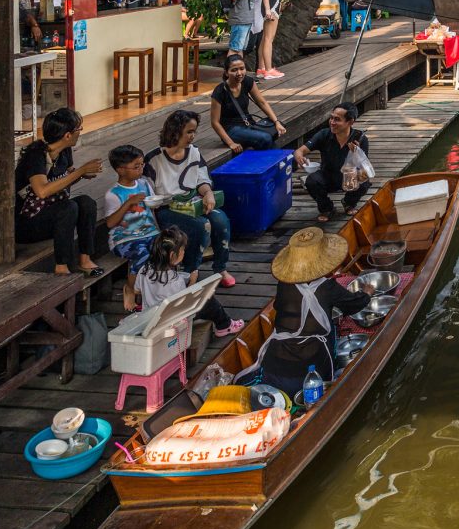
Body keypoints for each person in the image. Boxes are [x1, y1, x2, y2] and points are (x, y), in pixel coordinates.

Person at [254, 227, 373, 396]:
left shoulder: (284, 283)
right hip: (308, 375)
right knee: (330, 330)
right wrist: (367, 293)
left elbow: (279, 307)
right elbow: (355, 304)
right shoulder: (327, 287)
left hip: (273, 366)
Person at [144, 109, 236, 288]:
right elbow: (149, 193)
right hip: (167, 208)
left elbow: (201, 179)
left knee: (221, 219)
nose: (192, 136)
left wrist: (208, 193)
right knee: (202, 226)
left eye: (194, 131)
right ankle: (190, 270)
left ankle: (220, 268)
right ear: (175, 131)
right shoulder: (154, 159)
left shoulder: (194, 152)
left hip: (193, 200)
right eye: (189, 132)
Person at [14, 108, 104, 276]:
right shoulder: (36, 156)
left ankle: (85, 259)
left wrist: (82, 174)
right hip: (28, 224)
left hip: (52, 216)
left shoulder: (65, 151)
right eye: (79, 129)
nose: (80, 132)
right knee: (68, 207)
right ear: (68, 135)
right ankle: (61, 267)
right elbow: (42, 191)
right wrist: (81, 171)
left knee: (86, 203)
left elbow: (66, 178)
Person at [137, 227, 243, 337]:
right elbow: (186, 303)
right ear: (172, 255)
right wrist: (192, 282)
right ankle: (224, 325)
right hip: (172, 321)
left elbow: (137, 289)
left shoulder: (144, 270)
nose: (184, 252)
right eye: (182, 250)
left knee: (197, 283)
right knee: (209, 301)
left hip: (151, 317)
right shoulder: (174, 280)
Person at [104, 144, 161, 310]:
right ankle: (132, 289)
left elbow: (151, 208)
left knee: (166, 248)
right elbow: (110, 223)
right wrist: (128, 203)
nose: (141, 169)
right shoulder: (113, 194)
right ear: (121, 170)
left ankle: (156, 289)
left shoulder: (144, 184)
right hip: (124, 238)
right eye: (136, 166)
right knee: (142, 254)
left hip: (149, 231)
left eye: (142, 165)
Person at [293, 102, 370, 221]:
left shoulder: (360, 139)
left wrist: (356, 153)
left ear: (350, 122)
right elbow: (299, 151)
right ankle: (327, 208)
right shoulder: (324, 134)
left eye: (337, 119)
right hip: (327, 175)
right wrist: (299, 157)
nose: (332, 122)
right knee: (311, 181)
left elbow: (363, 167)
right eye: (331, 118)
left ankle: (349, 202)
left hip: (348, 177)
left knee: (364, 179)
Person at [210, 54, 287, 152]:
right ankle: (282, 163)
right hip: (231, 130)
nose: (239, 73)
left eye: (242, 69)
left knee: (273, 133)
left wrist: (277, 122)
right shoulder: (220, 91)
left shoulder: (247, 81)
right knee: (265, 138)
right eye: (234, 70)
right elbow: (215, 122)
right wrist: (230, 143)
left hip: (249, 124)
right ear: (226, 73)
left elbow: (261, 102)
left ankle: (279, 163)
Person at [249, 0, 285, 80]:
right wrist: (268, 9)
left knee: (265, 38)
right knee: (269, 39)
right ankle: (269, 70)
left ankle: (261, 68)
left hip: (272, 4)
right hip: (271, 5)